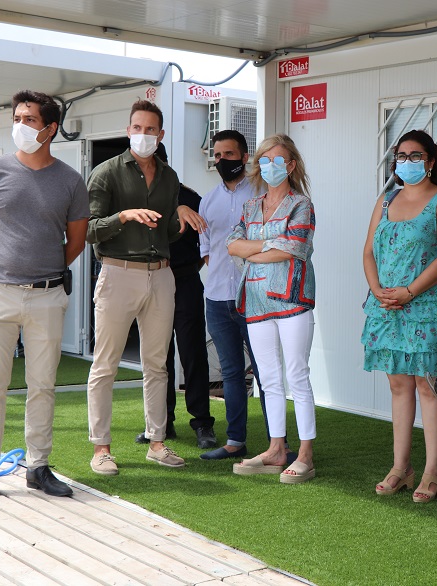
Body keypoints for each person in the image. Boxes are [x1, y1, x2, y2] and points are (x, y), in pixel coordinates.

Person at [0, 90, 89, 505]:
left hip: (47, 296)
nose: (20, 125)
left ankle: (38, 467)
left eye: (29, 119)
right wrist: (1, 264)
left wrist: (41, 268)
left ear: (50, 128)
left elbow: (76, 240)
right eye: (16, 118)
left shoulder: (70, 180)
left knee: (42, 385)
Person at [85, 99, 205, 475]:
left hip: (162, 275)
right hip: (118, 272)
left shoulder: (169, 178)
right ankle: (101, 449)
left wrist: (179, 214)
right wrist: (124, 216)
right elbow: (88, 229)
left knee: (157, 364)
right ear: (128, 130)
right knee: (105, 364)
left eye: (150, 129)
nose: (143, 134)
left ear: (160, 134)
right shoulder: (105, 173)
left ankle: (157, 443)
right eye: (137, 128)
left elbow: (167, 231)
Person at [361, 130, 437, 503]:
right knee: (398, 386)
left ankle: (432, 470)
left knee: (428, 387)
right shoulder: (386, 200)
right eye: (401, 155)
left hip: (424, 308)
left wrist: (410, 291)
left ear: (431, 161)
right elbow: (368, 252)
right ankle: (401, 467)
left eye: (415, 155)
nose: (407, 162)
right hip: (385, 309)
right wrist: (378, 289)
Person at [227, 134, 317, 483]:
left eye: (277, 160)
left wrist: (253, 249)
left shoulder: (301, 204)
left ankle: (305, 454)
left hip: (292, 299)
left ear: (291, 165)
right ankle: (276, 449)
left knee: (297, 374)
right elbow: (231, 245)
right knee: (268, 377)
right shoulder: (251, 206)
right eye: (264, 160)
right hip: (256, 300)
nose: (269, 166)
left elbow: (294, 247)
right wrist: (268, 245)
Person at [198, 130, 275, 461]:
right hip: (217, 299)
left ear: (245, 157)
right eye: (217, 155)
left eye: (228, 154)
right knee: (230, 373)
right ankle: (235, 442)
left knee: (265, 372)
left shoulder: (264, 193)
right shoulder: (207, 201)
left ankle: (278, 445)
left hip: (255, 297)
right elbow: (206, 250)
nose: (221, 160)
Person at [133, 144, 214, 448]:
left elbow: (206, 245)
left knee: (193, 352)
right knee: (157, 356)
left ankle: (202, 423)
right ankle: (161, 423)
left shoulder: (190, 198)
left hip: (184, 280)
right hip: (149, 281)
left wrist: (189, 270)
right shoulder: (135, 199)